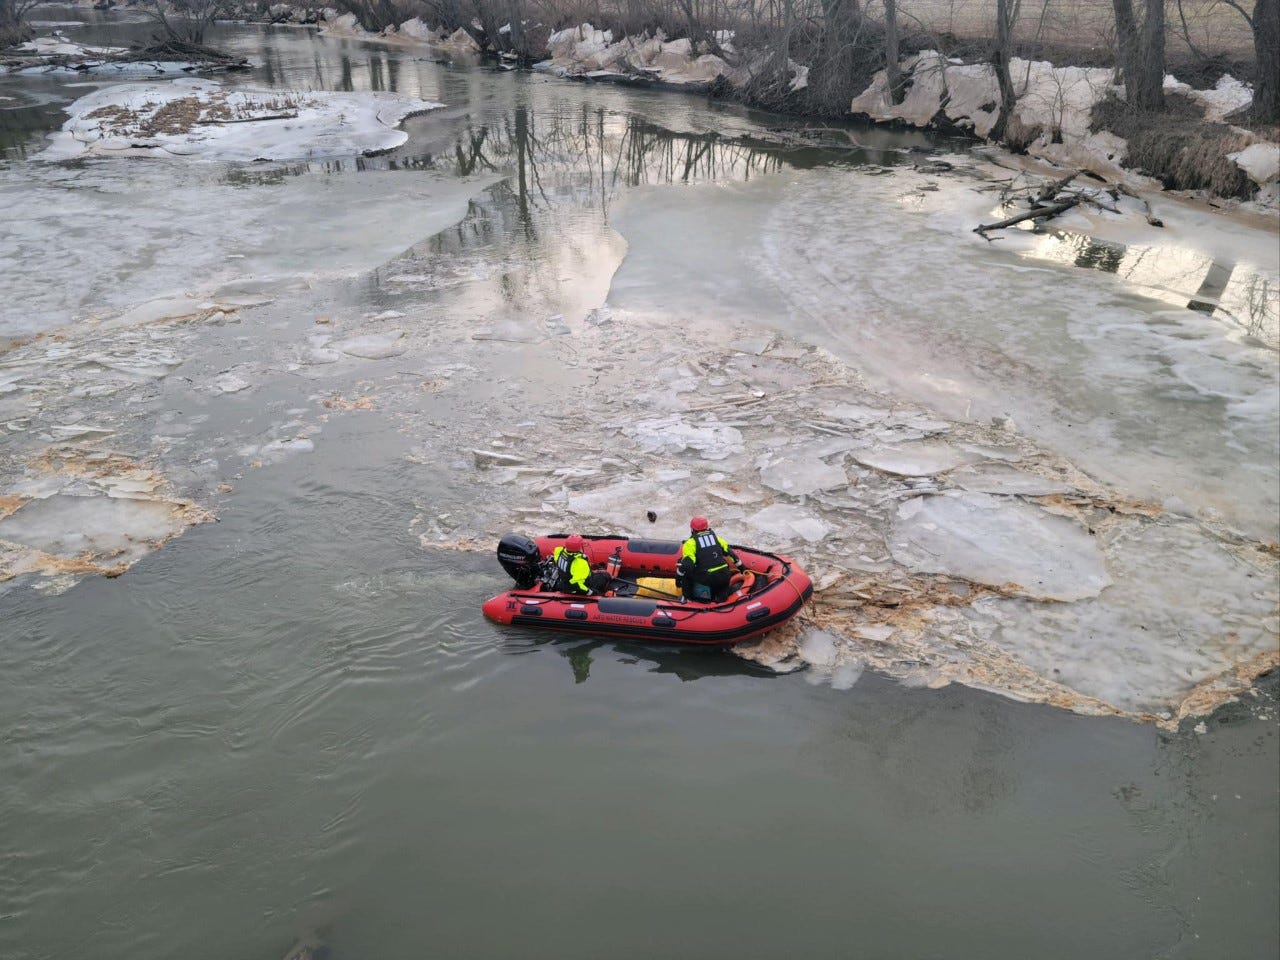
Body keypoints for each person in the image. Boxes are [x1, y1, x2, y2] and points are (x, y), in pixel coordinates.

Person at [676, 516, 741, 602]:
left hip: (707, 579)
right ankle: (722, 597)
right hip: (724, 576)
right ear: (706, 527)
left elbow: (688, 565)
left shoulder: (690, 543)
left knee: (684, 569)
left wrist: (678, 579)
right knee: (723, 565)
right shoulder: (717, 539)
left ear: (692, 529)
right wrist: (743, 568)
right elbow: (732, 555)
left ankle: (687, 598)